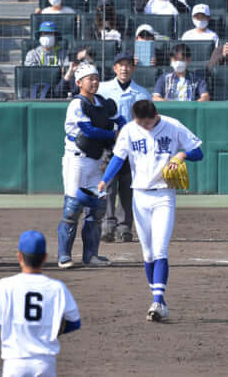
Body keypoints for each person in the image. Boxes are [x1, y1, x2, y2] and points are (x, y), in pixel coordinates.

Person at [98, 99, 203, 322]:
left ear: (156, 114)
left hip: (164, 195)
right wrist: (105, 180)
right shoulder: (129, 129)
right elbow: (119, 157)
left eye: (146, 123)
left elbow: (198, 151)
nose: (143, 127)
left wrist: (181, 155)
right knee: (147, 254)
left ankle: (157, 299)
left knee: (160, 250)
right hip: (140, 197)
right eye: (140, 123)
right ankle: (159, 303)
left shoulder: (173, 126)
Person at [0, 230, 81, 377]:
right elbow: (74, 323)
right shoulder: (57, 288)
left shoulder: (5, 286)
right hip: (45, 363)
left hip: (14, 363)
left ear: (19, 256)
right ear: (45, 258)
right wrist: (53, 329)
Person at [59, 63, 123, 269]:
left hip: (97, 160)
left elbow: (120, 120)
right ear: (79, 83)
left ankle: (91, 255)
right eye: (89, 78)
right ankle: (64, 256)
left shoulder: (104, 103)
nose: (94, 82)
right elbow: (88, 131)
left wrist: (123, 130)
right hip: (77, 160)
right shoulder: (77, 104)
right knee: (72, 208)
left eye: (96, 78)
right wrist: (113, 135)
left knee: (97, 209)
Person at [97, 52, 150, 243]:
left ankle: (125, 226)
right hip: (109, 144)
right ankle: (107, 224)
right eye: (120, 64)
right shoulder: (103, 90)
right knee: (108, 185)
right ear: (114, 68)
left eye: (128, 65)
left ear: (133, 68)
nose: (124, 68)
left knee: (128, 187)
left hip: (133, 147)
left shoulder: (142, 93)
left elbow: (147, 121)